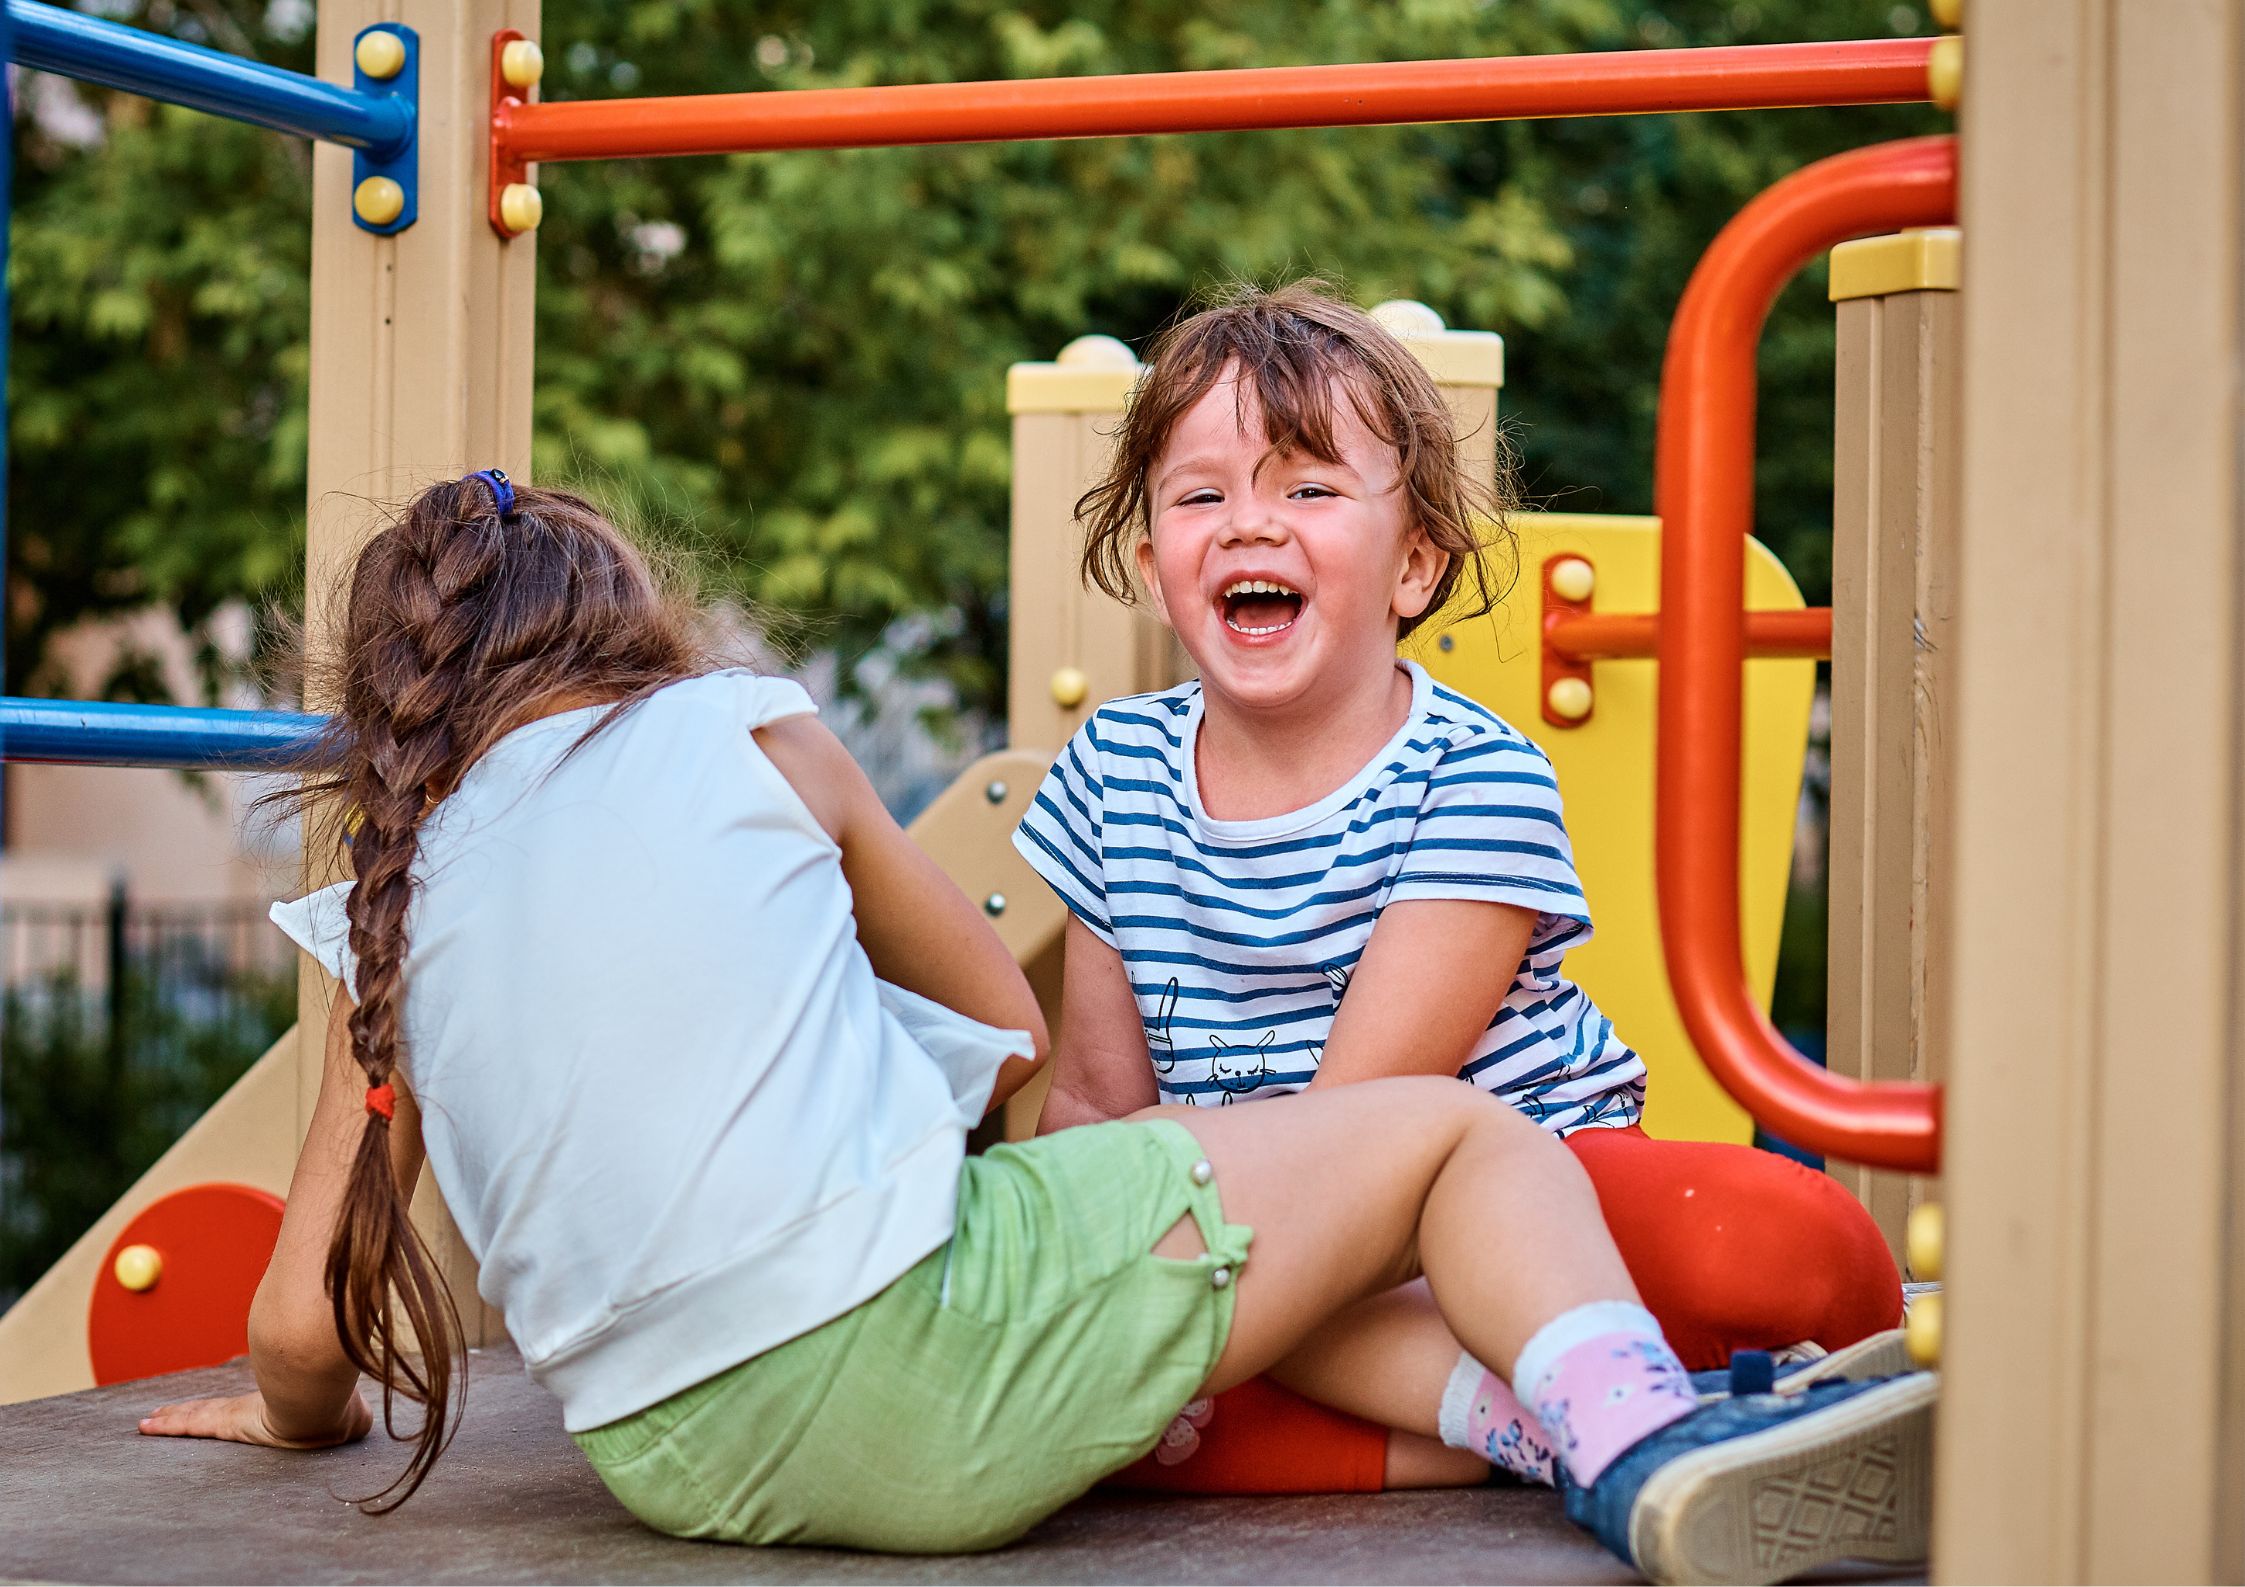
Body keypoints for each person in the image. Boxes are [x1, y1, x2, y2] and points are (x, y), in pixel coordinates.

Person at [138, 472, 1929, 1585]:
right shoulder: (751, 731)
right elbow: (1001, 1024)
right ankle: (1645, 1449)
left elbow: (302, 1330)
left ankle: (1556, 1423)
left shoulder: (400, 888)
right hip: (918, 1368)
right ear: (635, 625)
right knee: (1470, 1141)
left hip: (672, 1465)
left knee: (1234, 1289)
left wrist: (295, 1420)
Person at [1010, 282, 1905, 1497]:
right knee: (1056, 1350)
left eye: (1308, 487)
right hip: (1263, 1242)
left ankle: (1433, 1393)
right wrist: (1096, 1249)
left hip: (1517, 1198)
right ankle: (1548, 1421)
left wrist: (1182, 1281)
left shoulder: (1471, 775)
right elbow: (1094, 1108)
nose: (1246, 524)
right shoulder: (1114, 774)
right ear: (1151, 556)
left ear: (1416, 565)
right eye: (1199, 495)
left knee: (1783, 1249)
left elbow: (1363, 1124)